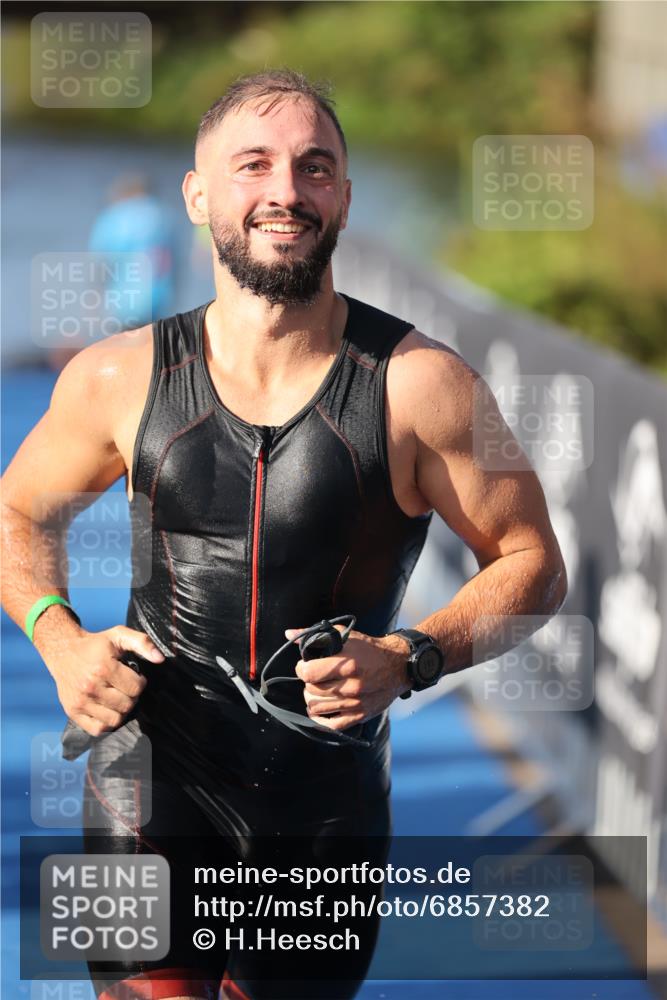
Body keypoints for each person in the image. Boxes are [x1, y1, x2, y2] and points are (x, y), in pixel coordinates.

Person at [1, 70, 566, 1000]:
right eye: (252, 164)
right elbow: (18, 510)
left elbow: (535, 564)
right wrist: (58, 638)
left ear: (343, 193)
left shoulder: (428, 386)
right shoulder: (115, 377)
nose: (284, 192)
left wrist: (410, 656)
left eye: (314, 168)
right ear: (197, 194)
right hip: (141, 781)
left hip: (319, 810)